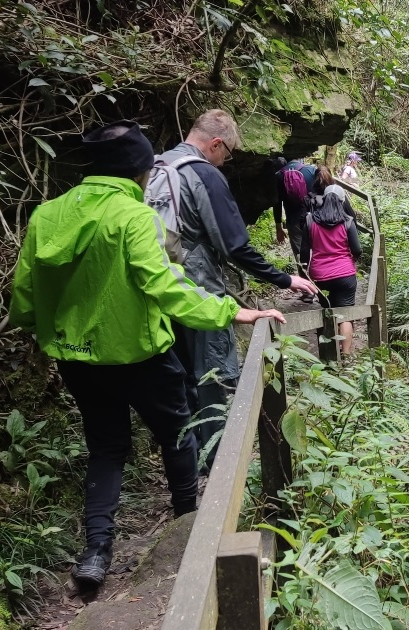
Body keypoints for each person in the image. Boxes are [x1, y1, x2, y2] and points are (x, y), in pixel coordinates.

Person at [9, 120, 286, 590]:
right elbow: (166, 286)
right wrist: (231, 312)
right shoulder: (134, 217)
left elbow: (24, 295)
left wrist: (46, 329)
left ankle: (96, 553)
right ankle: (187, 524)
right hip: (140, 353)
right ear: (140, 172)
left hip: (77, 359)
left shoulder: (47, 215)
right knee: (178, 435)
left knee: (107, 447)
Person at [157, 110, 317, 471]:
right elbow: (234, 246)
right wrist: (284, 278)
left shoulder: (157, 165)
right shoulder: (203, 174)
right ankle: (219, 464)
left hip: (155, 284)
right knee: (213, 371)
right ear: (215, 144)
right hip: (198, 286)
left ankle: (185, 457)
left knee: (179, 371)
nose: (226, 161)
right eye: (227, 153)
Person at [302, 165, 361, 356]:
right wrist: (352, 261)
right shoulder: (347, 222)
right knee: (345, 314)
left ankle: (329, 355)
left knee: (327, 311)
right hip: (345, 273)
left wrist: (304, 273)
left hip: (320, 276)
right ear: (342, 200)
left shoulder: (310, 221)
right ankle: (345, 355)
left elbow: (304, 253)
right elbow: (357, 249)